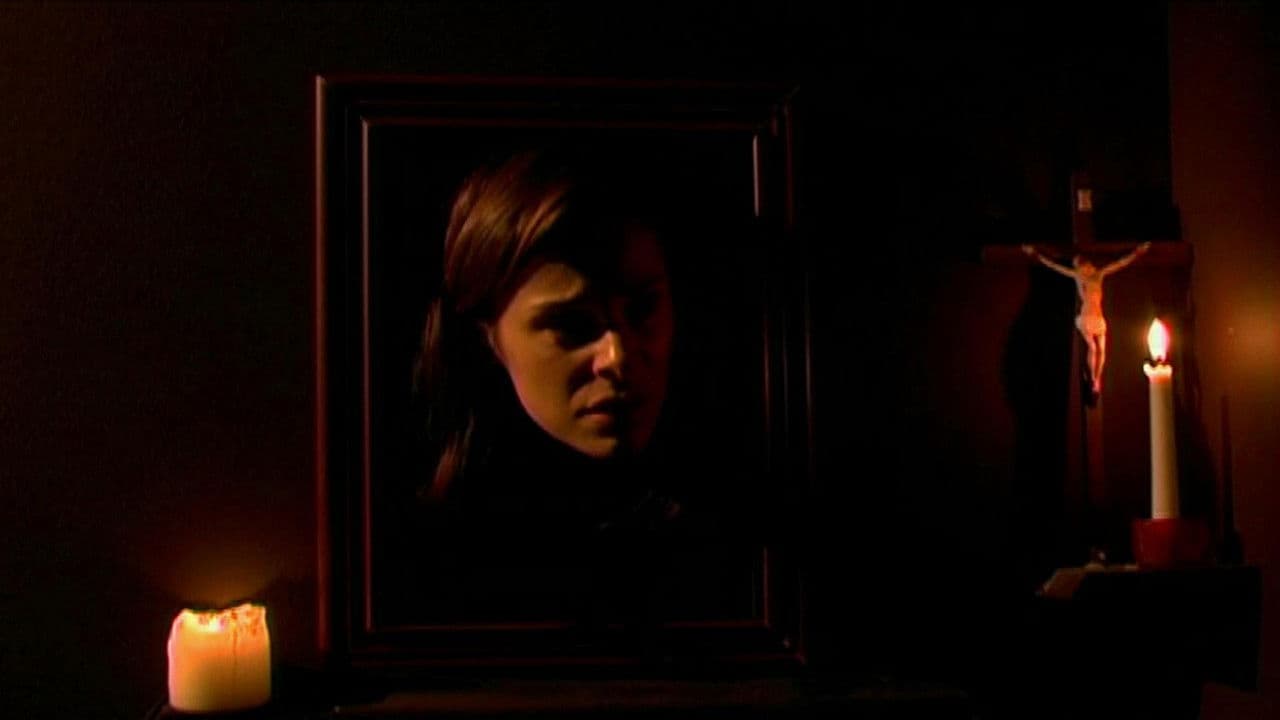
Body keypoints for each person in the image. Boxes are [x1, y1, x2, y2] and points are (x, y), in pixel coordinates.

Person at [399, 148, 744, 633]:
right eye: (572, 325)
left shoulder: (738, 537)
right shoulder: (430, 564)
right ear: (487, 336)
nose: (618, 358)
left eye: (644, 309)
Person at [1021, 241, 1151, 398]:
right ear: (1080, 267)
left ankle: (1096, 379)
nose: (1086, 266)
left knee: (1101, 349)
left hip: (1097, 317)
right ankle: (1094, 379)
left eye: (1085, 263)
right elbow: (1054, 266)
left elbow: (1119, 264)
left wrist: (1137, 253)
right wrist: (1036, 254)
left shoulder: (1099, 275)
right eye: (1081, 264)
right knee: (1094, 349)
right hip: (1087, 317)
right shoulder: (1079, 276)